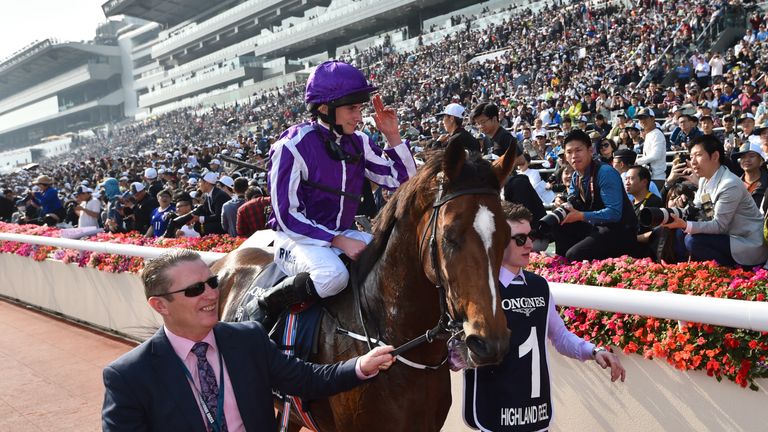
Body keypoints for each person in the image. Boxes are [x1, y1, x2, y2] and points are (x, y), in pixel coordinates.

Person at [102, 249, 395, 431]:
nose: (211, 294)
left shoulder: (248, 338)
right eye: (194, 290)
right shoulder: (127, 377)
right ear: (160, 305)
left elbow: (306, 378)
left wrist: (359, 366)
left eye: (212, 283)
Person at [262, 60, 417, 327]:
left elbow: (403, 182)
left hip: (341, 234)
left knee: (400, 260)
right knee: (333, 276)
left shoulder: (359, 141)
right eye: (351, 108)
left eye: (359, 108)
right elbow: (287, 216)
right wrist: (337, 241)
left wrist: (393, 137)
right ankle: (266, 307)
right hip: (295, 239)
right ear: (324, 108)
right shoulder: (292, 146)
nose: (359, 116)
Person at [462, 203, 625, 431]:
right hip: (495, 411)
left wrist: (594, 351)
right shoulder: (478, 288)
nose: (529, 244)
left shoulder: (539, 286)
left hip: (536, 412)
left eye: (530, 236)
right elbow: (458, 348)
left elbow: (559, 335)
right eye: (520, 239)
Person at [662, 135, 768, 267]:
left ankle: (732, 273)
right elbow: (706, 212)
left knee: (693, 240)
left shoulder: (729, 184)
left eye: (698, 155)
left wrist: (685, 225)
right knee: (679, 232)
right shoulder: (705, 180)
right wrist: (673, 214)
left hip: (747, 243)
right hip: (727, 236)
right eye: (691, 156)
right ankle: (685, 271)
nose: (693, 161)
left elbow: (719, 225)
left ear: (715, 156)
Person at [551, 130, 638, 261]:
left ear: (590, 150)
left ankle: (573, 267)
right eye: (569, 152)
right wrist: (563, 203)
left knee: (574, 254)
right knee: (560, 224)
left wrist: (581, 216)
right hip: (597, 226)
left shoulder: (605, 172)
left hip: (619, 230)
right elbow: (574, 201)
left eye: (578, 150)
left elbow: (614, 213)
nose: (574, 156)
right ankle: (563, 269)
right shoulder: (575, 176)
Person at [634, 108, 668, 190]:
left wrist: (637, 162)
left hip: (657, 178)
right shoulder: (649, 134)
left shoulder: (657, 134)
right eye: (640, 118)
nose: (642, 120)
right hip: (650, 177)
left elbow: (656, 155)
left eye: (645, 117)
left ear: (653, 118)